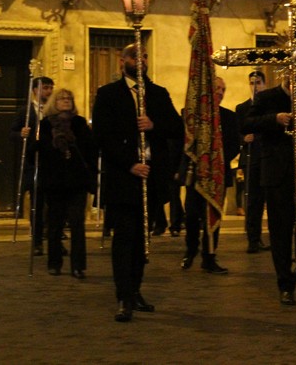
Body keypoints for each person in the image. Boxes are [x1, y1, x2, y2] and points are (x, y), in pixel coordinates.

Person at [92, 44, 183, 322]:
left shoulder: (158, 93)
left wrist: (154, 125)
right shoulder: (108, 94)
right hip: (124, 178)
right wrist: (129, 164)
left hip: (151, 178)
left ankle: (135, 290)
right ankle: (123, 296)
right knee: (124, 238)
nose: (140, 60)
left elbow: (177, 128)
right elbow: (102, 137)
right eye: (135, 56)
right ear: (123, 61)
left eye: (144, 56)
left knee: (142, 240)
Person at [243, 73, 296, 306]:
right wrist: (274, 119)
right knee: (280, 231)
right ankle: (285, 284)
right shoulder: (267, 98)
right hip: (278, 173)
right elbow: (247, 123)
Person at [36, 88, 96, 279]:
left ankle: (78, 266)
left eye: (69, 98)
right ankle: (54, 263)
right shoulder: (45, 125)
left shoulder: (79, 123)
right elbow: (38, 152)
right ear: (54, 102)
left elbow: (90, 149)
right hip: (55, 181)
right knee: (55, 224)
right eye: (61, 98)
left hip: (76, 180)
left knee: (77, 223)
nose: (66, 101)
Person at [181, 76, 239, 274]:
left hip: (218, 175)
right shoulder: (193, 115)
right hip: (196, 174)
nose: (221, 92)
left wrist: (215, 160)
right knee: (191, 214)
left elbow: (234, 145)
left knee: (213, 217)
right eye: (217, 88)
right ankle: (190, 250)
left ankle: (209, 257)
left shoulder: (229, 117)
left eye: (223, 89)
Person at [10, 76, 54, 255]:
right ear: (35, 90)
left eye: (51, 88)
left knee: (54, 205)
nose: (49, 91)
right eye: (46, 88)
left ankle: (55, 240)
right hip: (33, 163)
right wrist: (21, 133)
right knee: (37, 204)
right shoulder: (25, 111)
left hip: (51, 163)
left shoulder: (54, 110)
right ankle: (37, 242)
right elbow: (11, 133)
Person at [235, 70, 269, 253]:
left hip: (268, 158)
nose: (255, 87)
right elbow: (237, 133)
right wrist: (243, 139)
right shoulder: (242, 108)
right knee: (253, 200)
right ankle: (253, 239)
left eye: (258, 82)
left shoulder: (270, 106)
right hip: (251, 158)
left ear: (264, 84)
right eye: (251, 83)